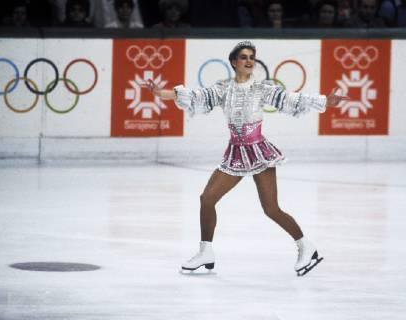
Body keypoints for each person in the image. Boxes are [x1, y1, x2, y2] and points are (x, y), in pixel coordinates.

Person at [142, 41, 348, 276]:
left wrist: (325, 101)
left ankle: (306, 247)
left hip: (259, 152)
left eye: (252, 57)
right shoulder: (223, 89)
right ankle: (205, 251)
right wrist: (161, 93)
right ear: (233, 62)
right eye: (243, 57)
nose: (249, 61)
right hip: (236, 153)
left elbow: (292, 100)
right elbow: (198, 96)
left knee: (271, 209)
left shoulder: (262, 88)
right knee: (207, 198)